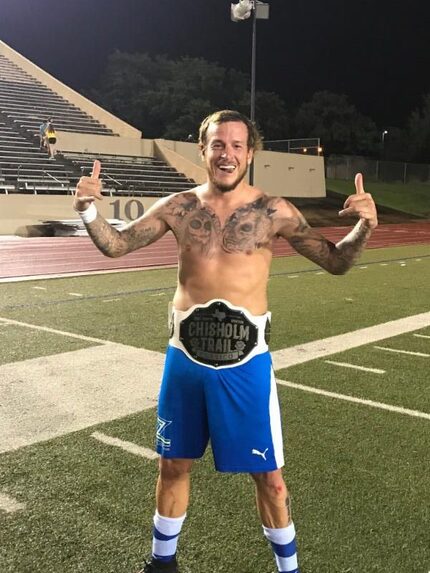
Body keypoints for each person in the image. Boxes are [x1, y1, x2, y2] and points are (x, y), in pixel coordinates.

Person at [73, 110, 378, 573]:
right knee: (173, 465)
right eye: (218, 144)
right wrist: (87, 210)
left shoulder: (274, 211)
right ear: (203, 150)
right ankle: (161, 564)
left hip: (246, 362)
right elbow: (117, 245)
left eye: (237, 145)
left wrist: (365, 227)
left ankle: (289, 569)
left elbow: (335, 263)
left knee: (271, 479)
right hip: (185, 360)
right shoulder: (178, 206)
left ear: (250, 153)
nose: (227, 154)